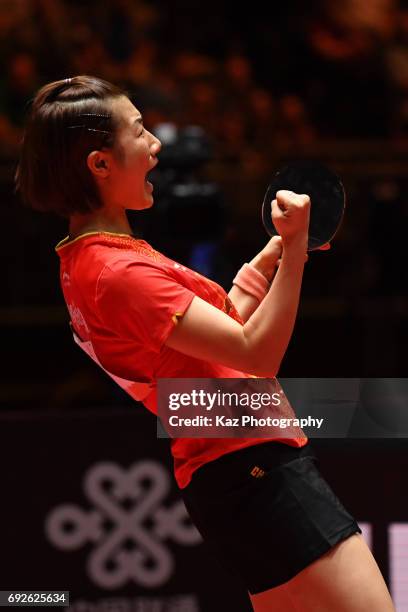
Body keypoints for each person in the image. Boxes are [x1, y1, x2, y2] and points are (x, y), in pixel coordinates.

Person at [15, 75, 395, 612]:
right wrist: (296, 253)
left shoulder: (89, 261)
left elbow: (220, 331)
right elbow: (254, 351)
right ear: (99, 164)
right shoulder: (117, 272)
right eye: (140, 130)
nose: (156, 145)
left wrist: (279, 253)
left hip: (233, 475)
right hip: (251, 468)